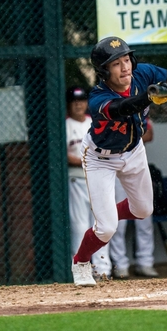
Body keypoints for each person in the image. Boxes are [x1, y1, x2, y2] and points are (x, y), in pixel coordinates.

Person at [71, 36, 167, 286]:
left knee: (144, 210)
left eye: (126, 59)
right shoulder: (97, 97)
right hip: (100, 158)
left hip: (134, 150)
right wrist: (148, 99)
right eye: (116, 64)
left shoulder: (144, 73)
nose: (125, 66)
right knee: (106, 229)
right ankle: (81, 262)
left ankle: (109, 216)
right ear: (104, 71)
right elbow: (122, 108)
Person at [66, 86, 112, 280]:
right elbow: (65, 155)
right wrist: (88, 160)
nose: (78, 104)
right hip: (76, 178)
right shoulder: (65, 125)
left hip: (98, 179)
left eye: (81, 100)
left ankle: (103, 270)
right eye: (74, 101)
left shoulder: (94, 122)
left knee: (103, 224)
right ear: (69, 104)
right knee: (79, 226)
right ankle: (81, 271)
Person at [110, 119, 159, 279]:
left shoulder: (137, 108)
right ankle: (120, 265)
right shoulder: (108, 106)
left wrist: (126, 138)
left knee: (144, 217)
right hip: (115, 172)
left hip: (138, 169)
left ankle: (145, 263)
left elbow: (149, 134)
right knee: (118, 221)